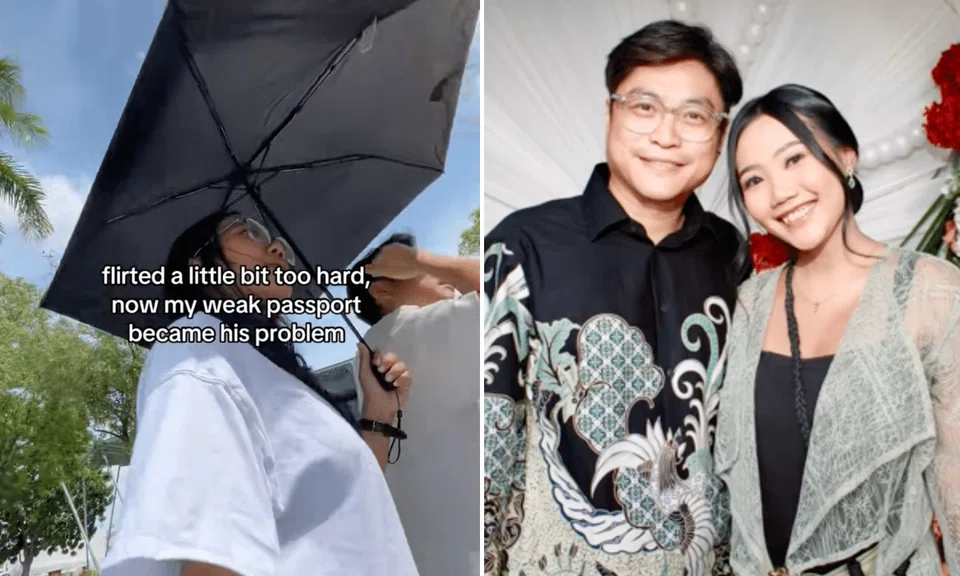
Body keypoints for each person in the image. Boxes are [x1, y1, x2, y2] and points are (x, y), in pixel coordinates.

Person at [483, 20, 745, 576]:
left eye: (694, 116)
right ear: (610, 113)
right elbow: (490, 439)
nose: (667, 136)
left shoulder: (731, 255)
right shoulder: (522, 245)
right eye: (645, 107)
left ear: (720, 137)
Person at [714, 84, 960, 575]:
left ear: (846, 158)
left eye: (794, 159)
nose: (781, 193)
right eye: (754, 180)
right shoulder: (750, 303)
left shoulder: (928, 291)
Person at [101, 211, 420, 576]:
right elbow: (211, 556)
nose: (277, 247)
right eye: (246, 231)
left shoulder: (268, 370)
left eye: (272, 236)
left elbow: (346, 506)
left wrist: (379, 414)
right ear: (200, 266)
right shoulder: (197, 347)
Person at [346, 233, 482, 576]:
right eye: (403, 262)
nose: (441, 258)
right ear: (382, 291)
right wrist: (425, 261)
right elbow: (520, 285)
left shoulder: (378, 346)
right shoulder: (410, 330)